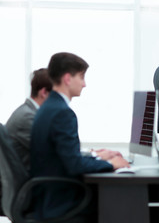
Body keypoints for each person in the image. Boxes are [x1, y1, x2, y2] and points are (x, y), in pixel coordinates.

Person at [30, 52, 130, 221]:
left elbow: (67, 156)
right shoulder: (62, 113)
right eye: (82, 77)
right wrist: (110, 164)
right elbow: (74, 164)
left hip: (46, 196)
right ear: (68, 79)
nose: (84, 84)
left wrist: (97, 158)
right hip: (60, 200)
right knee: (122, 201)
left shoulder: (48, 108)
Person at [6, 68, 52, 170]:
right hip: (31, 181)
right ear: (44, 93)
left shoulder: (30, 112)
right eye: (57, 95)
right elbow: (52, 153)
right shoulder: (27, 117)